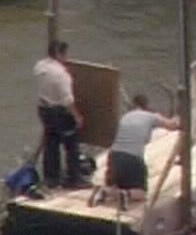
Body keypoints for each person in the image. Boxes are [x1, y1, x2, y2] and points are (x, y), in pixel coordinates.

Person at [91, 94, 179, 211]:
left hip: (114, 156)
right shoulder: (151, 116)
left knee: (115, 185)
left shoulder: (125, 116)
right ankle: (127, 194)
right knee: (141, 193)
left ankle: (105, 191)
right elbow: (173, 126)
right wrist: (179, 116)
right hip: (132, 158)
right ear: (146, 106)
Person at [35, 40, 87, 191]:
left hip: (44, 109)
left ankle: (51, 178)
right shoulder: (61, 74)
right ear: (59, 54)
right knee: (71, 145)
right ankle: (74, 179)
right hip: (60, 112)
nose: (66, 58)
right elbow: (67, 100)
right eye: (65, 54)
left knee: (51, 142)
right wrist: (77, 116)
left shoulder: (40, 67)